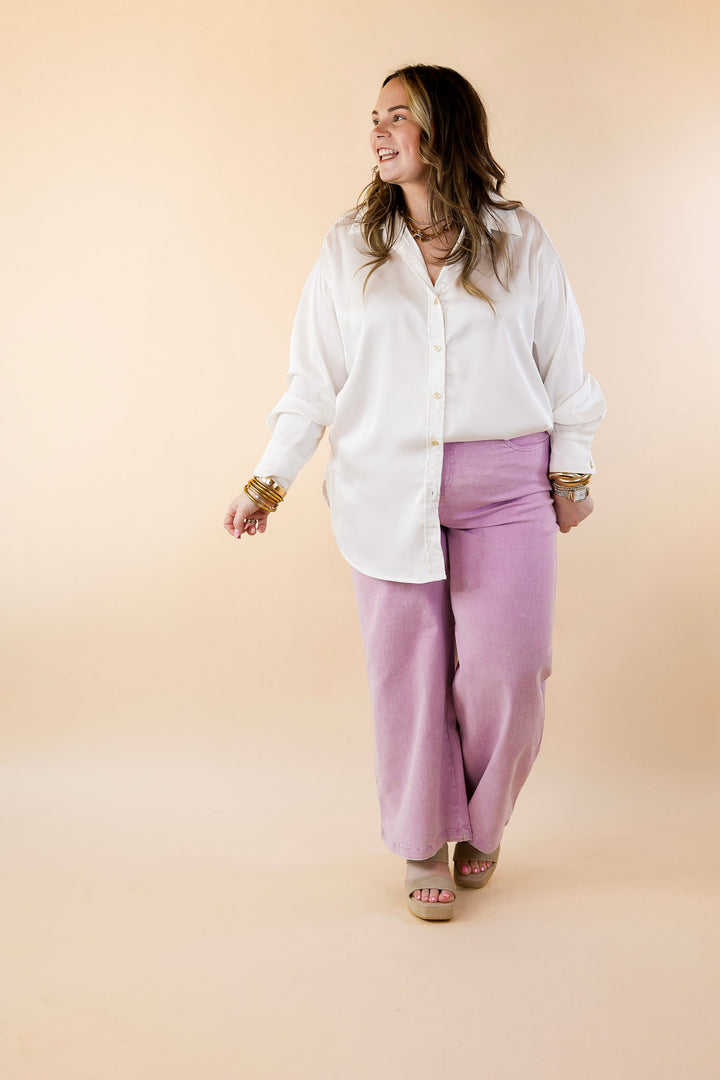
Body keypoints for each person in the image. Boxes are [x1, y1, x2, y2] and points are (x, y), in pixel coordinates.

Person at [223, 64, 607, 922]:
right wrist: (268, 482)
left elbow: (565, 362)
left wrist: (572, 470)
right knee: (408, 676)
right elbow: (313, 380)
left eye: (397, 115)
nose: (378, 131)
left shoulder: (519, 238)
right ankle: (423, 838)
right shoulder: (348, 247)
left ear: (442, 127)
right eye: (375, 117)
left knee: (510, 669)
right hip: (385, 484)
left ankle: (481, 816)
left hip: (506, 486)